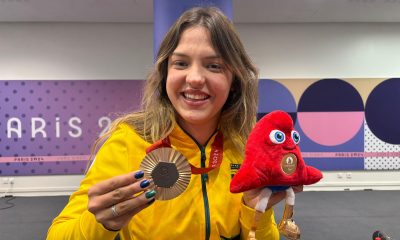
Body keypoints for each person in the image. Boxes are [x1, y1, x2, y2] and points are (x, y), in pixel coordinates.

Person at [47, 6, 302, 240]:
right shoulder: (128, 142)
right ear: (165, 73)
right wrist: (101, 224)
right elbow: (59, 234)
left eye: (213, 65)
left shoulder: (247, 148)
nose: (194, 78)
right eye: (180, 63)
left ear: (234, 80)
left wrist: (254, 211)